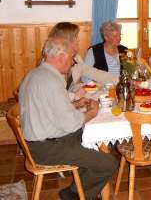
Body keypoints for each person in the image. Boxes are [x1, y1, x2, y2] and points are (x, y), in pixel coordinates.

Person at [19, 37, 118, 200]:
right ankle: (73, 194)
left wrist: (76, 104)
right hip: (48, 148)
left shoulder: (36, 74)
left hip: (42, 140)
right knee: (109, 163)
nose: (73, 62)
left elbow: (50, 110)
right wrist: (92, 112)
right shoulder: (51, 81)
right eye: (72, 57)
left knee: (91, 137)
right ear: (61, 56)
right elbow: (71, 123)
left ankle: (85, 185)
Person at [48, 22, 119, 93]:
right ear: (65, 40)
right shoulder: (55, 61)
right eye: (75, 37)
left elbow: (92, 72)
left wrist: (119, 81)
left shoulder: (76, 58)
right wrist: (76, 95)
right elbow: (57, 94)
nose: (78, 40)